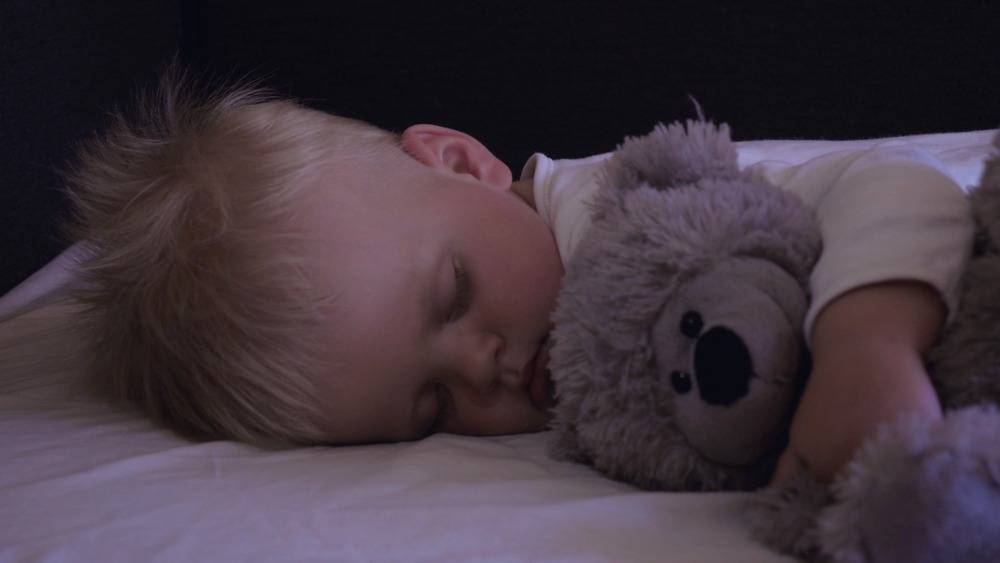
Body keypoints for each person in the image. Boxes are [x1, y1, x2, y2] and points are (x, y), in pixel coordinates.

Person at [12, 72, 975, 483]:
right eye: (430, 405)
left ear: (465, 165)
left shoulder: (634, 208)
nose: (483, 368)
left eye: (454, 292)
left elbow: (899, 179)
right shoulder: (596, 391)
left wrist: (866, 342)